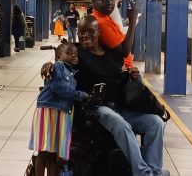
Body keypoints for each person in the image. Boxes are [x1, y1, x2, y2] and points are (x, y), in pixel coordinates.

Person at [42, 16, 169, 176]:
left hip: (121, 107)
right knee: (120, 124)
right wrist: (50, 66)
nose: (85, 35)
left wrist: (132, 75)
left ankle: (155, 171)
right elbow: (61, 63)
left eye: (90, 31)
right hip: (96, 108)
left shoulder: (113, 55)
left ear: (99, 33)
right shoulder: (77, 55)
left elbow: (121, 73)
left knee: (155, 123)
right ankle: (143, 172)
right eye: (81, 32)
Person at [29, 42, 89, 176]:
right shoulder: (58, 66)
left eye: (76, 54)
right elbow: (58, 87)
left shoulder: (72, 72)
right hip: (48, 110)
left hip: (61, 112)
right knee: (43, 150)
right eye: (69, 53)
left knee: (53, 152)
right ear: (59, 56)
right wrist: (79, 95)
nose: (74, 56)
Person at [91, 0, 137, 68]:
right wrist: (132, 22)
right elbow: (124, 52)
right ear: (93, 1)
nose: (109, 2)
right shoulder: (101, 23)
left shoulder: (105, 17)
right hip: (121, 70)